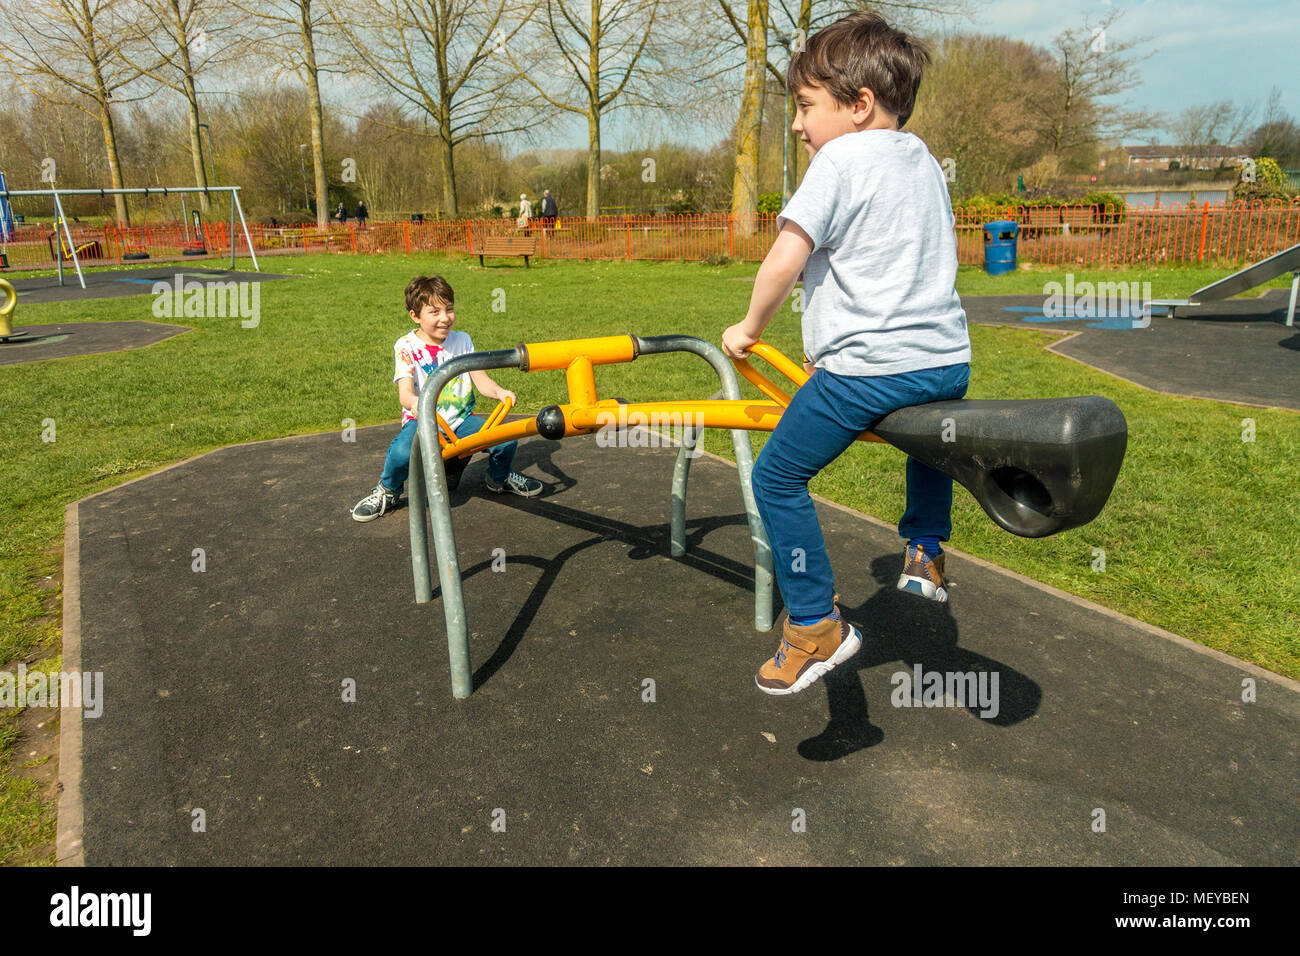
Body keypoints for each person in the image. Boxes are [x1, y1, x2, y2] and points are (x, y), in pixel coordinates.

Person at [720, 11, 971, 696]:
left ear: (858, 106)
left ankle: (814, 625)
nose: (798, 125)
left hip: (866, 370)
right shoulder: (922, 160)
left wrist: (748, 327)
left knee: (776, 479)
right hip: (946, 360)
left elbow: (785, 258)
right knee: (932, 442)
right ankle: (923, 548)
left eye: (806, 107)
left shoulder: (839, 160)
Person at [351, 275, 544, 522]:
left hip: (461, 420)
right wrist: (416, 404)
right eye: (434, 312)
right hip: (424, 420)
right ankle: (388, 490)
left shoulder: (462, 340)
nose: (445, 318)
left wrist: (499, 392)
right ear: (415, 316)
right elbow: (405, 393)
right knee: (401, 453)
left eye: (449, 309)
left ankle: (498, 479)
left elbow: (481, 380)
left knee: (506, 441)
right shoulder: (406, 346)